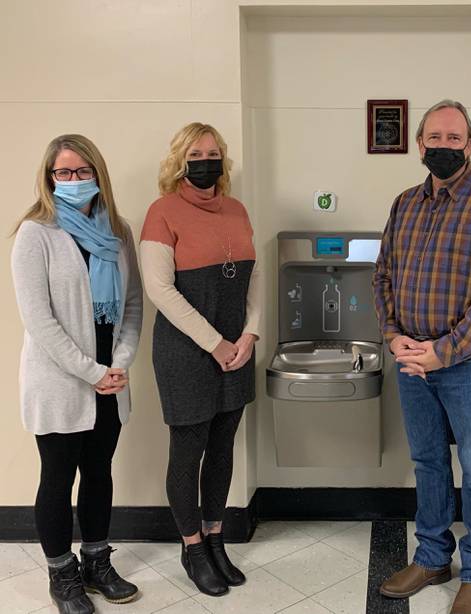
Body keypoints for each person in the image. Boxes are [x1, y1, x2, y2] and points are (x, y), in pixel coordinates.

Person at [373, 99, 471, 614]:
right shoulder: (404, 203)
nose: (443, 146)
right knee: (428, 463)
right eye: (434, 138)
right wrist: (393, 337)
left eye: (454, 139)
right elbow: (384, 275)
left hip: (466, 365)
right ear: (419, 145)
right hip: (410, 361)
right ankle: (433, 556)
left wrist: (446, 351)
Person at [11, 134, 143, 614]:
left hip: (111, 378)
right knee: (57, 475)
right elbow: (39, 320)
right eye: (62, 173)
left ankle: (96, 562)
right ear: (49, 179)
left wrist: (120, 363)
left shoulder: (119, 231)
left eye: (82, 172)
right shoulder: (35, 233)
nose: (72, 181)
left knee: (99, 472)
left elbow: (131, 306)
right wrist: (90, 371)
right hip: (60, 380)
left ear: (98, 174)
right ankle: (61, 574)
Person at [140, 122, 262, 597]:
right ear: (179, 161)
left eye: (213, 152)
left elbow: (254, 277)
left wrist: (251, 334)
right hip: (187, 351)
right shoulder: (162, 212)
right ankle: (191, 547)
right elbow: (160, 290)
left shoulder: (237, 209)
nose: (206, 160)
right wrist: (216, 343)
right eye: (196, 153)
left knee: (223, 448)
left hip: (238, 349)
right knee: (188, 451)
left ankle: (215, 538)